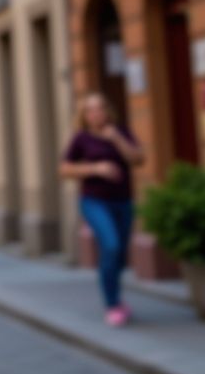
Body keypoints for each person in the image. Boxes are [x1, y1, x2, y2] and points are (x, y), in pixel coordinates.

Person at [60, 92, 145, 327]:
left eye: (100, 108)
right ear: (84, 115)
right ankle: (112, 304)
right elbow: (64, 169)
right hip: (94, 201)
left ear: (107, 110)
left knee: (119, 255)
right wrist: (96, 169)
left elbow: (138, 160)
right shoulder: (81, 138)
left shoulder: (121, 132)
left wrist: (117, 139)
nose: (96, 113)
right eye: (90, 110)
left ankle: (116, 296)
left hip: (123, 201)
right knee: (111, 244)